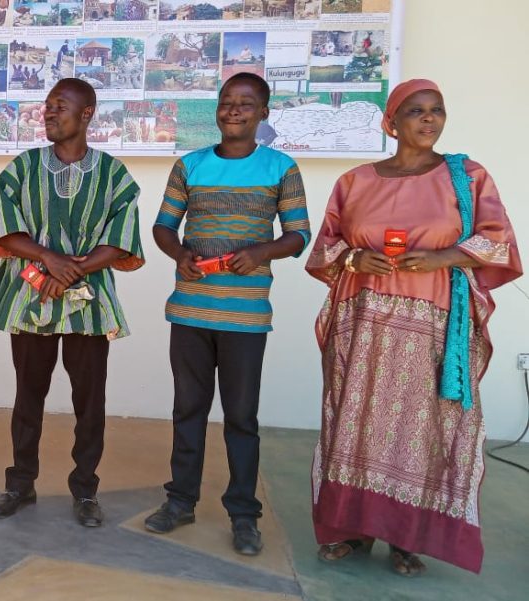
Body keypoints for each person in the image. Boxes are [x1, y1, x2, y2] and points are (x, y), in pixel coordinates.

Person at [305, 79, 521, 576]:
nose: (428, 119)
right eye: (416, 111)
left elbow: (499, 240)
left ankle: (407, 538)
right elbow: (326, 247)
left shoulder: (467, 177)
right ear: (391, 122)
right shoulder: (355, 181)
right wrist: (356, 257)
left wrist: (444, 256)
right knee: (355, 422)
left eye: (436, 110)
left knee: (420, 429)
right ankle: (351, 528)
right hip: (363, 325)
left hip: (433, 325)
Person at [145, 72, 311, 556]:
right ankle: (180, 501)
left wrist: (261, 252)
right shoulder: (190, 166)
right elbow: (163, 227)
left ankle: (243, 514)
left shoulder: (281, 168)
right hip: (190, 311)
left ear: (264, 113)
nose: (234, 110)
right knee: (188, 410)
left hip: (245, 316)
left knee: (241, 417)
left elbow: (298, 234)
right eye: (226, 102)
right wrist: (179, 253)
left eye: (246, 103)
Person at [0, 78, 144, 528]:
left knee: (90, 401)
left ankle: (86, 489)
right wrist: (49, 259)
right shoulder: (23, 168)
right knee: (28, 396)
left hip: (89, 304)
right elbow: (2, 229)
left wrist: (72, 269)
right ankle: (20, 484)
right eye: (47, 105)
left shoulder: (113, 174)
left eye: (60, 105)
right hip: (30, 296)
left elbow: (122, 237)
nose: (49, 112)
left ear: (87, 113)